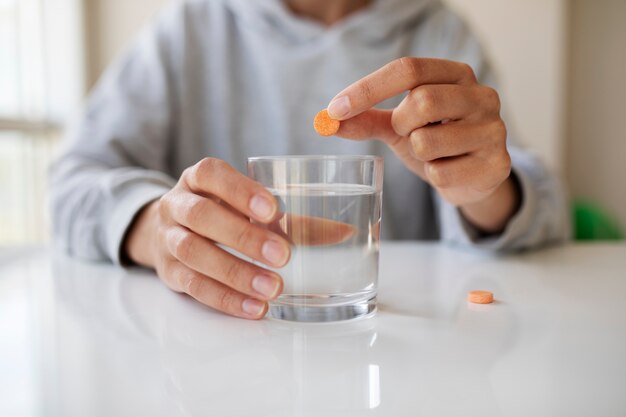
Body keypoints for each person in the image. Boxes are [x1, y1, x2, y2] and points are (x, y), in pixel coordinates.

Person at [50, 0, 569, 319]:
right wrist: (156, 229)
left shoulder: (440, 32)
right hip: (230, 347)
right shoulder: (188, 27)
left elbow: (547, 207)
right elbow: (70, 181)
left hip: (395, 347)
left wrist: (484, 189)